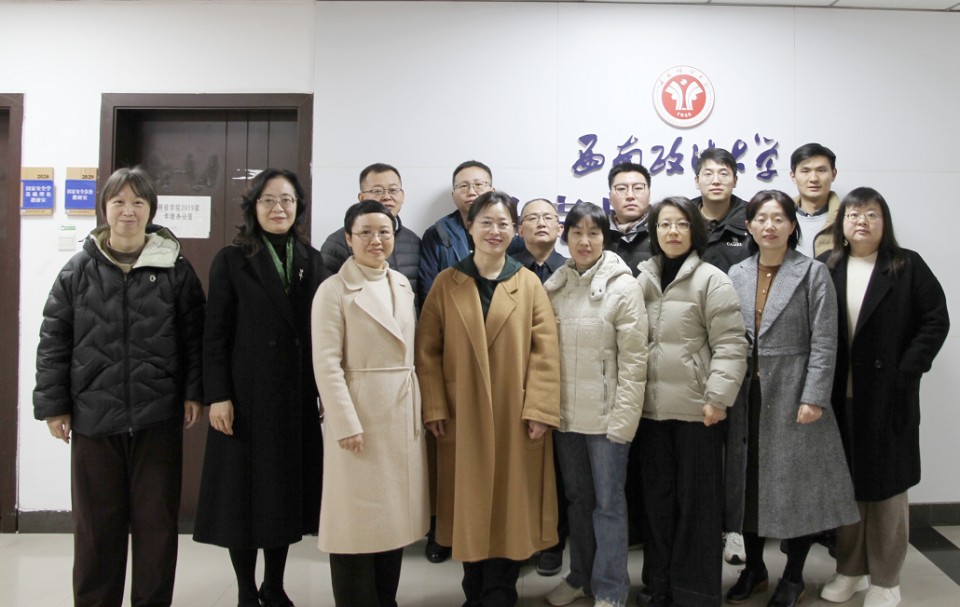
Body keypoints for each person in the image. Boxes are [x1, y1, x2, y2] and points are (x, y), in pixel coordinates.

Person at [34, 167, 205, 607]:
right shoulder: (78, 270)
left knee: (156, 525)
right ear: (105, 208)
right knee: (96, 527)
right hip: (93, 416)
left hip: (157, 415)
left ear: (151, 210)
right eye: (119, 202)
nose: (128, 211)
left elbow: (195, 337)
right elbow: (53, 340)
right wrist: (54, 406)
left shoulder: (175, 269)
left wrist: (193, 392)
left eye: (138, 202)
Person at [416, 190, 561, 607]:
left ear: (514, 230)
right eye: (486, 223)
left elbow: (545, 352)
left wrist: (539, 408)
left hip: (515, 414)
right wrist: (434, 405)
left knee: (510, 507)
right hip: (461, 414)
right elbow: (427, 351)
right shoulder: (447, 282)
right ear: (470, 227)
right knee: (469, 505)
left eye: (502, 224)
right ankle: (473, 589)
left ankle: (500, 592)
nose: (494, 231)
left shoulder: (527, 282)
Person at [193, 168, 327, 607]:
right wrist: (218, 395)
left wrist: (320, 389)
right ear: (253, 207)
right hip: (244, 398)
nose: (278, 208)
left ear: (298, 207)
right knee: (242, 497)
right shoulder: (232, 259)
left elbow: (320, 333)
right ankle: (247, 589)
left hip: (293, 397)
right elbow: (214, 335)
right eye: (268, 200)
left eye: (287, 200)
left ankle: (274, 584)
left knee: (281, 496)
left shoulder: (311, 259)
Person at [725, 190, 858, 607]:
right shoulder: (736, 273)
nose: (770, 226)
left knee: (797, 489)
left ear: (791, 225)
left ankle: (794, 577)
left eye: (778, 218)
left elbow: (825, 341)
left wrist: (814, 396)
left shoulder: (812, 272)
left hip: (795, 394)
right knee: (748, 486)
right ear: (749, 226)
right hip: (746, 396)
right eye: (761, 219)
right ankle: (754, 570)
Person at [818, 188, 949, 607]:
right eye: (853, 214)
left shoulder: (907, 265)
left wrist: (907, 369)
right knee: (847, 488)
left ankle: (887, 579)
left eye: (871, 214)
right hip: (840, 398)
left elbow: (935, 320)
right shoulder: (828, 266)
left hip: (889, 397)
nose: (861, 221)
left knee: (889, 489)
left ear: (884, 221)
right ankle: (850, 571)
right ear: (841, 223)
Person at [312, 200, 429, 607]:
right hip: (359, 418)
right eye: (365, 233)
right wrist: (345, 422)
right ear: (348, 239)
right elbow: (326, 364)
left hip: (400, 414)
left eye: (384, 232)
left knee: (393, 521)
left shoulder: (401, 284)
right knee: (354, 523)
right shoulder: (333, 290)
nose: (376, 240)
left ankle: (386, 598)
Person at [635, 197, 748, 607]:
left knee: (697, 507)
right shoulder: (642, 279)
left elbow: (731, 344)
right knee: (657, 504)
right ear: (655, 232)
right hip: (650, 413)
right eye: (664, 224)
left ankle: (695, 593)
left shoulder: (712, 279)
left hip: (698, 413)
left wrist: (717, 398)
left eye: (681, 224)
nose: (672, 232)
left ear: (695, 231)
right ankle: (658, 586)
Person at [543, 202, 647, 607]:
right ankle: (579, 577)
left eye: (593, 233)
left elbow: (635, 361)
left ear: (605, 238)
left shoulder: (624, 286)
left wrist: (624, 420)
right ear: (565, 237)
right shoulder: (555, 286)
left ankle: (611, 587)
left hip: (607, 420)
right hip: (566, 417)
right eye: (577, 233)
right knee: (577, 501)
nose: (584, 241)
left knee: (609, 505)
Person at [516, 197, 569, 577]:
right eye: (532, 218)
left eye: (548, 218)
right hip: (516, 382)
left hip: (562, 379)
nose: (540, 224)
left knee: (560, 470)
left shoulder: (571, 268)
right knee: (521, 467)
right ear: (519, 229)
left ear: (560, 228)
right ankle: (521, 539)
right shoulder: (507, 270)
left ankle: (553, 543)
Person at [320, 163, 421, 296]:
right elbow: (327, 293)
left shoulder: (413, 241)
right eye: (377, 191)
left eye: (393, 190)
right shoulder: (338, 242)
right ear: (362, 198)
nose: (387, 196)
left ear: (402, 196)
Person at [692, 147, 751, 274]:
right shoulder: (684, 216)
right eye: (708, 174)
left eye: (723, 174)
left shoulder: (752, 216)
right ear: (697, 181)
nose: (716, 181)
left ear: (735, 181)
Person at [790, 143, 840, 259]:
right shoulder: (781, 218)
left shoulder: (847, 219)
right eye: (805, 171)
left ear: (833, 174)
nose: (813, 179)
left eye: (821, 170)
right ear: (793, 176)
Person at [605, 162, 653, 277]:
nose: (630, 195)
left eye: (638, 188)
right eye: (621, 189)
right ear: (610, 197)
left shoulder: (662, 230)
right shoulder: (599, 232)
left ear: (649, 194)